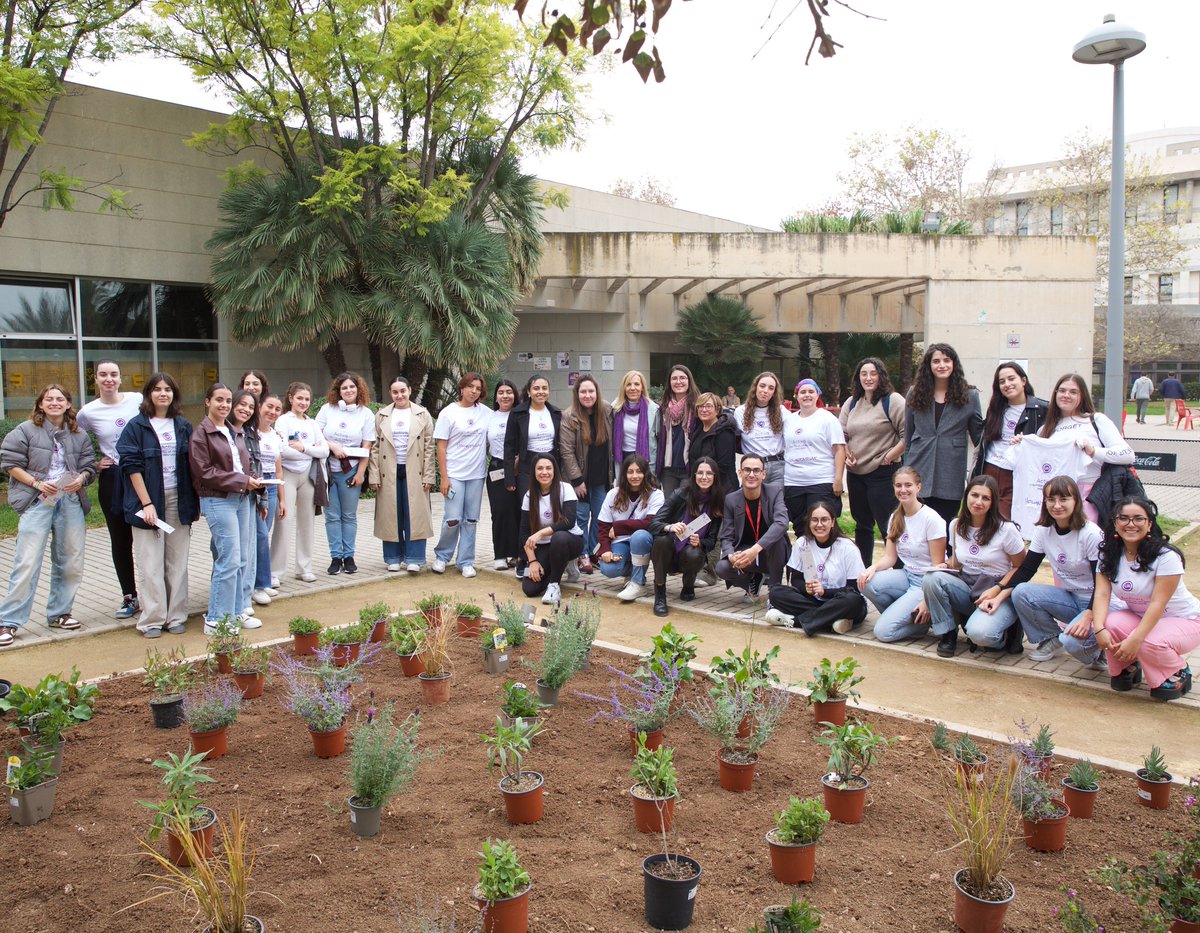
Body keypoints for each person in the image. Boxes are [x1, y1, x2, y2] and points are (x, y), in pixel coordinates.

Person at [0, 384, 96, 645]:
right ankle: (9, 621)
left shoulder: (78, 434)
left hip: (70, 500)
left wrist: (81, 479)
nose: (55, 403)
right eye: (49, 399)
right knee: (27, 562)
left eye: (60, 399)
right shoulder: (25, 430)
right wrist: (37, 483)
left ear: (68, 404)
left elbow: (89, 465)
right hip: (37, 500)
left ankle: (60, 613)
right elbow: (10, 463)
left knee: (71, 560)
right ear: (41, 404)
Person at [1090, 496, 1198, 701]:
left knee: (1148, 640)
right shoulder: (1108, 554)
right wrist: (1099, 629)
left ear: (1149, 524)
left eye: (1138, 518)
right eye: (1124, 518)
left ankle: (1178, 670)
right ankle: (1128, 666)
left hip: (1185, 619)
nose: (1131, 524)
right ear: (1115, 523)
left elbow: (1158, 603)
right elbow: (1102, 594)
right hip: (1141, 616)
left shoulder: (1166, 556)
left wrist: (1135, 640)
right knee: (1110, 624)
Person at [116, 373, 198, 637]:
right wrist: (147, 503)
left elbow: (192, 466)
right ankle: (152, 619)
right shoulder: (136, 427)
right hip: (148, 501)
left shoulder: (183, 426)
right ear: (148, 393)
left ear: (174, 394)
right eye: (157, 389)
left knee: (177, 563)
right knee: (150, 563)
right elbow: (131, 466)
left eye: (168, 389)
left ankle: (175, 616)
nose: (163, 393)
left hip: (178, 500)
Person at [922, 475, 1027, 658]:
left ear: (993, 502)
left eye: (985, 498)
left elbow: (1020, 567)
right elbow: (958, 561)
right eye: (974, 495)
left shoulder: (1006, 529)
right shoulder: (956, 525)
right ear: (966, 496)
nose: (978, 502)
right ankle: (948, 634)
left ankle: (1004, 635)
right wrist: (945, 565)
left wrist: (998, 589)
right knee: (932, 578)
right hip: (967, 585)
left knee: (981, 635)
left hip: (997, 588)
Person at [188, 383, 264, 632]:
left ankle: (236, 612)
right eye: (219, 400)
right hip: (217, 500)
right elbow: (204, 472)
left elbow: (243, 465)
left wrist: (254, 480)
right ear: (207, 402)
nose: (224, 405)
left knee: (241, 559)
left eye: (228, 401)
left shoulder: (233, 431)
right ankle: (216, 619)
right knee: (228, 560)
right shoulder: (201, 434)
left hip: (241, 497)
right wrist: (243, 481)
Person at [1009, 476, 1105, 667]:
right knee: (1021, 592)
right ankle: (1051, 638)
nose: (1057, 505)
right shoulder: (1043, 531)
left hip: (1101, 603)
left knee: (1072, 643)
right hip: (1071, 598)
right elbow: (1027, 569)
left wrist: (1089, 615)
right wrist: (999, 591)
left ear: (1076, 501)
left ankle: (1100, 652)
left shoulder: (1091, 534)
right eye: (1051, 499)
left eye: (1064, 499)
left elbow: (1103, 584)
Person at [76, 360, 141, 620]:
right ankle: (130, 595)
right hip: (113, 479)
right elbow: (73, 443)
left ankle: (157, 593)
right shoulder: (88, 412)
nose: (109, 379)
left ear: (121, 378)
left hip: (142, 476)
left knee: (149, 536)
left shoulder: (137, 399)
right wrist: (94, 463)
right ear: (96, 379)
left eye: (114, 374)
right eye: (103, 374)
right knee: (121, 540)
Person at [1024, 374, 1134, 524]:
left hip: (1090, 496)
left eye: (1073, 392)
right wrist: (1022, 444)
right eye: (1062, 391)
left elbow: (1128, 455)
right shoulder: (1045, 430)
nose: (1066, 395)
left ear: (1082, 396)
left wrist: (1093, 451)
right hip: (1056, 499)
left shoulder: (1096, 420)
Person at [859, 466, 948, 644]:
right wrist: (872, 568)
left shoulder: (931, 519)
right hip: (907, 575)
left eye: (908, 485)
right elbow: (890, 558)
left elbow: (938, 568)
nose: (903, 490)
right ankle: (909, 617)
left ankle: (921, 624)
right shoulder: (895, 517)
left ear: (918, 487)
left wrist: (927, 600)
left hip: (926, 582)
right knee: (865, 582)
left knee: (883, 632)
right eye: (898, 485)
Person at [904, 343, 983, 525]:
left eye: (947, 360)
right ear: (928, 365)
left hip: (951, 473)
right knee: (917, 525)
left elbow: (979, 437)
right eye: (936, 361)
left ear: (954, 363)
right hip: (919, 467)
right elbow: (908, 437)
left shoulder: (970, 395)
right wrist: (906, 472)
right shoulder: (914, 393)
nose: (942, 365)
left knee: (944, 525)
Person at [839, 357, 906, 567]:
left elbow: (908, 435)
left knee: (889, 526)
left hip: (883, 473)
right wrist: (847, 453)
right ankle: (863, 571)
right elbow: (841, 434)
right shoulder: (852, 402)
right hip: (856, 474)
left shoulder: (893, 401)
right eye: (864, 374)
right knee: (862, 525)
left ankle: (899, 570)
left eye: (873, 373)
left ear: (881, 376)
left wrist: (889, 457)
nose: (868, 378)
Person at [764, 501, 868, 636]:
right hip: (814, 600)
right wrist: (806, 588)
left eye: (824, 520)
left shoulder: (847, 548)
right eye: (814, 520)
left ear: (832, 522)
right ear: (809, 522)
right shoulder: (803, 543)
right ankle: (832, 621)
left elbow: (854, 589)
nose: (819, 524)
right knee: (776, 593)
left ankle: (795, 621)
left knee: (854, 601)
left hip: (839, 600)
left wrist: (825, 592)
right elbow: (796, 580)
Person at [369, 377, 435, 572]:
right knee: (391, 515)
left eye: (403, 391)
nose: (399, 395)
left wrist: (429, 476)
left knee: (415, 515)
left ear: (410, 390)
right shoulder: (381, 415)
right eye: (395, 392)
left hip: (415, 470)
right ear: (391, 393)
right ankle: (393, 557)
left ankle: (415, 558)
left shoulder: (422, 414)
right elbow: (374, 448)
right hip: (388, 471)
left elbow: (429, 447)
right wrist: (374, 475)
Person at [970, 361, 1048, 520]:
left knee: (1005, 521)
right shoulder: (996, 408)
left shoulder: (1041, 409)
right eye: (1002, 381)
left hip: (1016, 474)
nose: (1007, 384)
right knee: (983, 520)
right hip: (989, 470)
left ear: (1023, 380)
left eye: (1011, 379)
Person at [315, 372, 375, 575]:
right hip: (329, 471)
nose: (348, 390)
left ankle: (349, 556)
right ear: (338, 391)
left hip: (351, 471)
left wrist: (361, 473)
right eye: (344, 388)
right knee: (332, 516)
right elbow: (316, 435)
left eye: (352, 387)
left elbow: (367, 446)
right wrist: (332, 446)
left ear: (358, 389)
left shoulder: (366, 414)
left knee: (349, 516)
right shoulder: (327, 409)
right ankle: (335, 557)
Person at [649, 456, 725, 616]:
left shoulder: (717, 501)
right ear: (694, 475)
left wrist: (700, 542)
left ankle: (688, 585)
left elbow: (712, 541)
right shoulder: (680, 494)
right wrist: (670, 527)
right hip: (669, 550)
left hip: (689, 554)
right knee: (661, 540)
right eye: (700, 473)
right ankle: (660, 595)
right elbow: (654, 523)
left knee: (694, 552)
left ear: (715, 476)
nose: (704, 477)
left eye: (709, 473)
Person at [433, 372, 490, 577]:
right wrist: (444, 477)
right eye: (470, 387)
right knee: (453, 519)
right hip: (454, 475)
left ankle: (465, 561)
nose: (474, 391)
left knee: (471, 519)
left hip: (476, 475)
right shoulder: (448, 413)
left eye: (478, 388)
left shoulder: (486, 413)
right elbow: (441, 447)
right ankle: (442, 556)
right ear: (462, 388)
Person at [272, 381, 329, 584]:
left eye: (306, 399)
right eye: (299, 398)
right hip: (287, 474)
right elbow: (282, 450)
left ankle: (304, 568)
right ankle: (276, 572)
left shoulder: (312, 424)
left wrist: (304, 448)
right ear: (290, 399)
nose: (303, 402)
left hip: (308, 476)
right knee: (283, 521)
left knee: (307, 522)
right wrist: (311, 450)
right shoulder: (282, 420)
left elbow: (325, 451)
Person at [716, 454, 789, 599]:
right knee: (722, 568)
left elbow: (782, 523)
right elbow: (726, 536)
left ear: (763, 474)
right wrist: (731, 556)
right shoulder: (731, 499)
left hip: (771, 552)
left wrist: (755, 550)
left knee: (777, 540)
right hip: (745, 554)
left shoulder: (775, 492)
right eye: (747, 470)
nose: (751, 474)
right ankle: (751, 580)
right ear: (740, 472)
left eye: (756, 470)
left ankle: (775, 591)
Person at [559, 375, 613, 573]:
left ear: (597, 392)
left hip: (601, 477)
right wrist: (576, 480)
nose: (587, 395)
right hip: (579, 479)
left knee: (600, 517)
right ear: (577, 394)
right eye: (583, 392)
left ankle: (594, 552)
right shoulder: (569, 415)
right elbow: (566, 451)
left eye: (591, 391)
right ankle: (582, 554)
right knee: (581, 517)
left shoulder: (607, 411)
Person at [597, 453, 663, 602]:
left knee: (640, 535)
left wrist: (618, 527)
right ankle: (633, 572)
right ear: (624, 474)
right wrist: (605, 550)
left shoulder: (656, 494)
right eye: (630, 472)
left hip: (644, 542)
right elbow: (603, 526)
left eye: (639, 471)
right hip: (620, 541)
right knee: (608, 569)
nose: (635, 476)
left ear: (645, 473)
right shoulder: (613, 494)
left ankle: (638, 584)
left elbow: (651, 523)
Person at [520, 453, 584, 604]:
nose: (544, 472)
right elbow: (524, 532)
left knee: (558, 538)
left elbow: (569, 521)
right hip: (545, 546)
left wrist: (540, 533)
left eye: (548, 468)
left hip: (569, 540)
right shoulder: (529, 496)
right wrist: (533, 561)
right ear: (534, 471)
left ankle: (554, 585)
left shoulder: (566, 488)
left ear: (554, 470)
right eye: (540, 468)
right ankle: (560, 565)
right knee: (530, 589)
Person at [782, 378, 846, 531]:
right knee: (799, 527)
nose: (807, 395)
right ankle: (804, 549)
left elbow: (839, 449)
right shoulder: (789, 420)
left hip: (821, 481)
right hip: (793, 482)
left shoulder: (828, 419)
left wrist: (838, 479)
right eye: (803, 392)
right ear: (796, 396)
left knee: (821, 528)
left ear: (818, 395)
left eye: (811, 391)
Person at [504, 375, 562, 541]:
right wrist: (509, 477)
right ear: (529, 392)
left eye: (544, 388)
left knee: (552, 508)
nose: (540, 392)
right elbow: (509, 446)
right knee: (528, 509)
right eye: (536, 388)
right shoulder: (518, 413)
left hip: (551, 466)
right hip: (526, 467)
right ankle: (526, 550)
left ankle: (550, 547)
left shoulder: (556, 413)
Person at [226, 390, 262, 618]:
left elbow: (256, 466)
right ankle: (229, 603)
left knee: (247, 552)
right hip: (226, 498)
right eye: (241, 404)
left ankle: (244, 598)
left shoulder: (250, 432)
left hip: (249, 496)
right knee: (229, 554)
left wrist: (262, 498)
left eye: (250, 406)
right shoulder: (222, 431)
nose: (246, 409)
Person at [250, 393, 286, 605]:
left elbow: (279, 470)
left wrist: (282, 499)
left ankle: (262, 582)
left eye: (277, 409)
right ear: (259, 407)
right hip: (254, 485)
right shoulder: (249, 432)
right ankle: (258, 584)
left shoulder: (275, 436)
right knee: (260, 536)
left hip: (271, 486)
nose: (272, 412)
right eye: (269, 407)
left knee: (264, 535)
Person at [486, 380, 521, 570]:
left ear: (515, 395)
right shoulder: (489, 417)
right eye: (501, 392)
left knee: (519, 511)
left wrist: (518, 461)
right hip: (497, 468)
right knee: (499, 512)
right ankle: (500, 554)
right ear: (496, 396)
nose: (505, 396)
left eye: (509, 392)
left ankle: (517, 554)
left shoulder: (521, 415)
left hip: (519, 467)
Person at [734, 372, 787, 486]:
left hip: (777, 467)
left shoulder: (782, 411)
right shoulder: (740, 412)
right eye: (762, 386)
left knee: (776, 498)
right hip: (752, 468)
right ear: (755, 387)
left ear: (774, 392)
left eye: (771, 388)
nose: (765, 390)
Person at [654, 364, 698, 497]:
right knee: (669, 505)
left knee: (685, 505)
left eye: (682, 378)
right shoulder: (662, 408)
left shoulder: (697, 407)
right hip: (668, 470)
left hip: (689, 468)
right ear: (669, 382)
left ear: (689, 381)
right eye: (674, 378)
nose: (678, 382)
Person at [689, 391, 738, 493]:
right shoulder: (698, 430)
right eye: (700, 406)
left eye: (708, 406)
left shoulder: (724, 432)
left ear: (717, 410)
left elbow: (723, 466)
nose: (704, 410)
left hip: (722, 489)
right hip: (702, 486)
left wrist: (704, 484)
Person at [611, 370, 658, 473]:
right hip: (622, 458)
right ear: (624, 388)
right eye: (628, 384)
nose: (632, 388)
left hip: (644, 459)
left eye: (636, 384)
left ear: (642, 387)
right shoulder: (615, 408)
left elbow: (658, 439)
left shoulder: (653, 409)